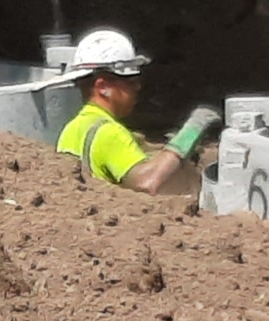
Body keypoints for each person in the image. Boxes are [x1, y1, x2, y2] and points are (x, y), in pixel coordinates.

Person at [56, 29, 201, 198]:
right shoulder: (109, 133)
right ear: (103, 87)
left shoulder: (71, 129)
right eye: (130, 81)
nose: (138, 87)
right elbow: (147, 182)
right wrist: (190, 133)